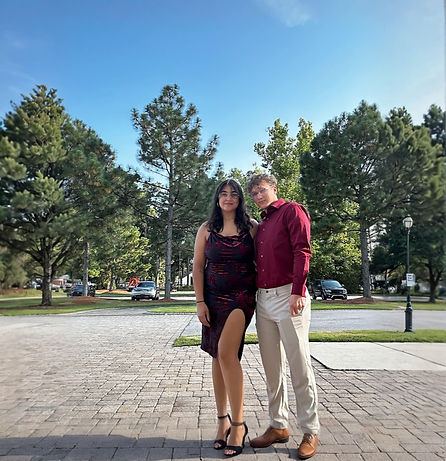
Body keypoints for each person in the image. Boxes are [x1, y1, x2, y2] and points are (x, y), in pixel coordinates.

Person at [246, 173, 320, 460]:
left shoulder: (292, 211)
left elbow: (303, 250)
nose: (258, 196)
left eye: (261, 190)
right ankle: (278, 425)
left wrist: (298, 290)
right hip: (264, 300)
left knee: (299, 366)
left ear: (274, 188)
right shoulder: (262, 225)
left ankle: (310, 430)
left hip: (290, 295)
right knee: (272, 369)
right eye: (253, 193)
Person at [193, 178, 257, 457]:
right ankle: (222, 422)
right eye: (223, 194)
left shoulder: (251, 227)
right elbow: (198, 267)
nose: (228, 198)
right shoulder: (207, 229)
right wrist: (200, 302)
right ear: (217, 199)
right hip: (212, 299)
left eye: (233, 194)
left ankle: (239, 425)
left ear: (240, 199)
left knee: (226, 354)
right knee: (217, 356)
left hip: (241, 298)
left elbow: (263, 259)